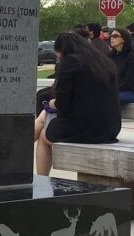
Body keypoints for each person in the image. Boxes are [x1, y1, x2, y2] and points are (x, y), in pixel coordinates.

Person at [34, 33, 120, 175]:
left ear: (62, 51)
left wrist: (53, 103)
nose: (58, 59)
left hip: (86, 129)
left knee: (44, 133)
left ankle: (19, 159)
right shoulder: (103, 62)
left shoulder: (70, 62)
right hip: (110, 128)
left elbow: (63, 105)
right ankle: (13, 151)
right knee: (44, 118)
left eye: (58, 56)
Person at [107, 27, 134, 104]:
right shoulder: (110, 56)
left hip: (129, 92)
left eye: (115, 36)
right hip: (114, 91)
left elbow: (129, 81)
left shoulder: (132, 56)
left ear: (123, 39)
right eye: (111, 36)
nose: (112, 38)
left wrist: (112, 90)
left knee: (106, 98)